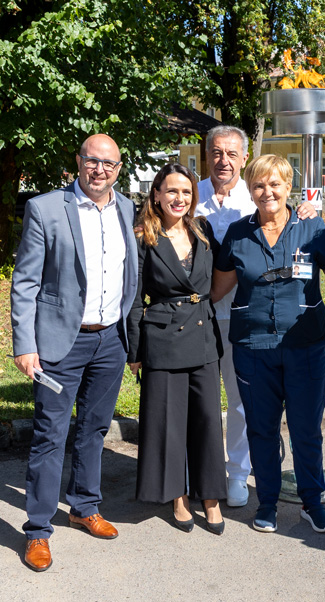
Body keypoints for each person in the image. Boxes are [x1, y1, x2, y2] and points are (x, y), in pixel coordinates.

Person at [11, 134, 138, 572]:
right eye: (92, 160)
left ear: (118, 169)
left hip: (111, 340)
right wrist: (25, 344)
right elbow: (26, 282)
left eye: (109, 163)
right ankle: (38, 529)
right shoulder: (45, 208)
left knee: (95, 428)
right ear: (78, 162)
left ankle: (84, 506)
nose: (99, 169)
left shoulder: (126, 208)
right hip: (60, 343)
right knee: (50, 434)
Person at [212, 154, 325, 534]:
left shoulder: (311, 227)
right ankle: (268, 502)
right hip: (253, 348)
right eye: (258, 185)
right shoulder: (238, 234)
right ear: (249, 190)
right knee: (261, 428)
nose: (267, 192)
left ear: (289, 187)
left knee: (306, 429)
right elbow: (215, 289)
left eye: (275, 184)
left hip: (306, 346)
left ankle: (312, 502)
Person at [195, 125, 317, 508]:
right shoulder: (189, 195)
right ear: (206, 155)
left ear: (244, 158)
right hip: (198, 316)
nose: (223, 160)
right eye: (216, 152)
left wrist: (308, 211)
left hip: (244, 318)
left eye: (232, 153)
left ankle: (237, 473)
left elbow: (294, 228)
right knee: (200, 400)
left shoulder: (257, 198)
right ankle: (199, 471)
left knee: (240, 401)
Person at [125, 163, 226, 534]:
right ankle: (177, 496)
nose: (179, 198)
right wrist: (135, 352)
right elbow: (134, 298)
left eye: (186, 191)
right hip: (163, 339)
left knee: (207, 421)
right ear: (156, 195)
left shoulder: (203, 230)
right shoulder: (143, 236)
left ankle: (210, 497)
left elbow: (225, 269)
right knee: (167, 423)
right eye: (171, 191)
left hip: (202, 334)